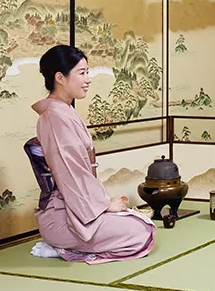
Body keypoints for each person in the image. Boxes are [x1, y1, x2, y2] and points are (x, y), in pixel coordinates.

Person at [29, 45, 155, 264]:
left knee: (139, 222)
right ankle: (63, 247)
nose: (88, 79)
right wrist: (104, 206)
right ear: (60, 78)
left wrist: (104, 204)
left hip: (77, 207)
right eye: (82, 73)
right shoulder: (55, 117)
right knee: (141, 232)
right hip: (64, 217)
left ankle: (68, 245)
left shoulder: (64, 111)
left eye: (87, 72)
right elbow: (71, 175)